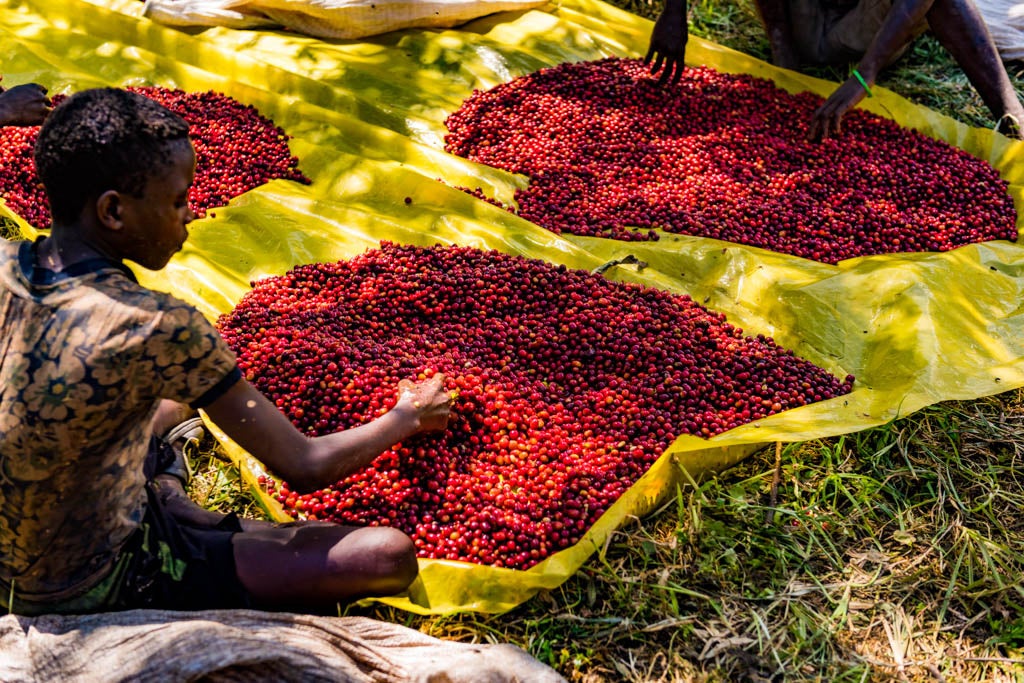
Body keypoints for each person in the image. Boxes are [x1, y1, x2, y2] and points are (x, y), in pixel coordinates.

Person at [0, 87, 453, 616]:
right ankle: (170, 506)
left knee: (170, 404)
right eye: (177, 201)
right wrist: (407, 416)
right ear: (114, 211)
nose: (191, 214)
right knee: (386, 555)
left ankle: (167, 500)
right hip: (92, 576)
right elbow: (305, 466)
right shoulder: (158, 326)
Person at [644, 0, 1024, 140]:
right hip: (805, 22)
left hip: (865, 29)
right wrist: (673, 13)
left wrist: (865, 74)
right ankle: (784, 58)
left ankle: (1010, 113)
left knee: (947, 2)